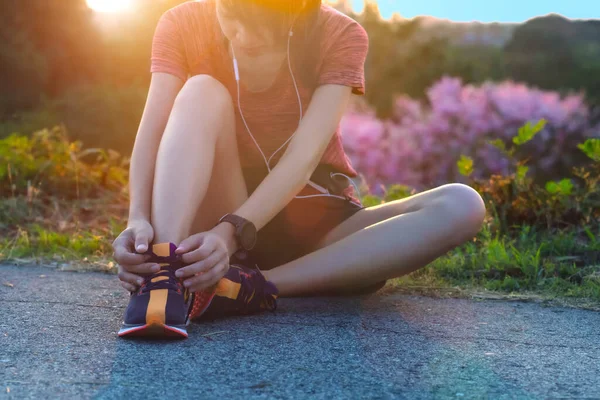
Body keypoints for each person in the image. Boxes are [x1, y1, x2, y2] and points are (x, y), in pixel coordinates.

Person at [111, 0, 486, 338]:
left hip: (311, 220)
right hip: (224, 202)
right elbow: (152, 131)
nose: (241, 33)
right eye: (230, 14)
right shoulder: (182, 22)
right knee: (200, 90)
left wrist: (233, 233)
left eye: (257, 21)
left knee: (461, 204)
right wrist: (138, 219)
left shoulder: (339, 34)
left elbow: (303, 158)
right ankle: (163, 274)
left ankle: (252, 287)